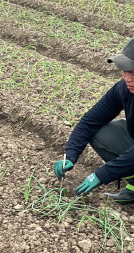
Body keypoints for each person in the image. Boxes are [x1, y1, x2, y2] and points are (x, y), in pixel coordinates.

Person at [54, 38, 134, 203]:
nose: (127, 78)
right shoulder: (123, 89)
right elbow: (90, 122)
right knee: (101, 132)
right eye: (124, 71)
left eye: (133, 72)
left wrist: (101, 175)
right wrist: (70, 155)